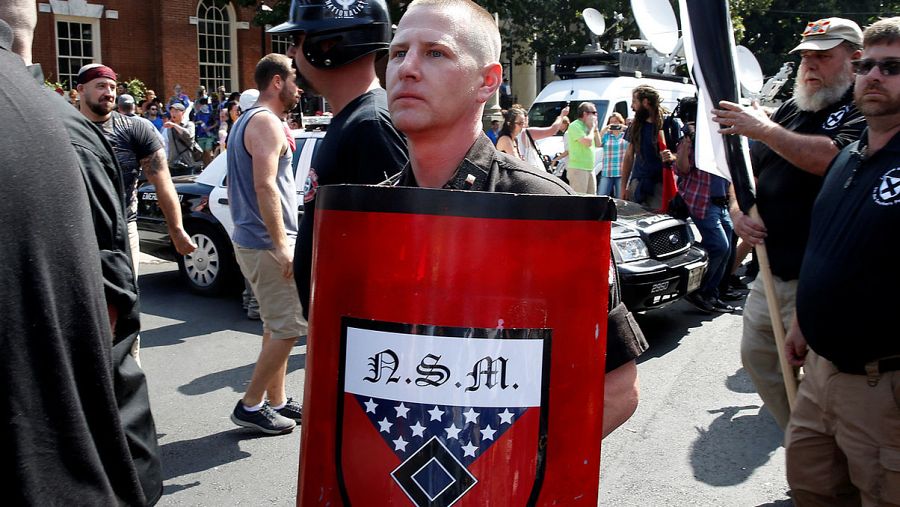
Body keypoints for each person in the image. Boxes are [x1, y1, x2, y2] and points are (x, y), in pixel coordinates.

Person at [387, 0, 646, 438]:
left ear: (487, 81)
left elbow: (617, 390)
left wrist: (507, 471)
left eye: (436, 52)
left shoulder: (547, 211)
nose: (407, 68)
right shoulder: (373, 215)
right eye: (397, 52)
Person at [0, 5, 160, 504]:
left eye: (114, 86)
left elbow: (158, 174)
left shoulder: (125, 132)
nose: (109, 93)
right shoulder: (65, 130)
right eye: (100, 86)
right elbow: (111, 329)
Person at [712, 17, 866, 430]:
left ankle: (827, 461)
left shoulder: (865, 107)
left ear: (855, 59)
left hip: (822, 274)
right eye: (805, 57)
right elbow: (745, 174)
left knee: (824, 378)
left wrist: (764, 129)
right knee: (759, 356)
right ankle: (804, 448)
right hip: (771, 266)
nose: (810, 66)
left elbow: (831, 160)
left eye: (823, 56)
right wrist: (737, 211)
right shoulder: (794, 108)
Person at [782, 17, 900, 505]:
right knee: (812, 486)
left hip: (882, 385)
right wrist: (805, 322)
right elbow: (828, 244)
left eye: (892, 67)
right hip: (822, 372)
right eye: (866, 65)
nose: (873, 76)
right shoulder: (849, 157)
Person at [269, 0, 409, 320]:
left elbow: (394, 255)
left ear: (330, 44)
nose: (291, 53)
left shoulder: (372, 124)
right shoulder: (356, 119)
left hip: (362, 338)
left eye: (297, 41)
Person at [226, 54, 305, 435]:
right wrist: (281, 244)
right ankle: (250, 405)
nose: (299, 86)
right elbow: (265, 185)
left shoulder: (248, 120)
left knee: (276, 326)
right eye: (294, 78)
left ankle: (276, 401)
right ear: (277, 82)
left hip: (256, 241)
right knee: (289, 327)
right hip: (266, 242)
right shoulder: (265, 123)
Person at [675, 98, 737, 314]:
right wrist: (686, 145)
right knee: (720, 247)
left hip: (720, 203)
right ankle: (699, 291)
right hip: (702, 202)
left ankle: (711, 293)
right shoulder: (694, 139)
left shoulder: (720, 137)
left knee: (726, 249)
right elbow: (681, 169)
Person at [621, 84, 675, 209]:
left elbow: (682, 154)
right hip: (638, 183)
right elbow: (629, 156)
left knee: (659, 222)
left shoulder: (669, 123)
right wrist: (624, 187)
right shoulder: (635, 125)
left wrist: (672, 156)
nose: (632, 106)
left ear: (645, 102)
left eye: (634, 102)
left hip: (660, 185)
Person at [565, 101, 602, 194]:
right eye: (593, 113)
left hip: (590, 167)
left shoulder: (589, 127)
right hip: (578, 168)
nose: (595, 116)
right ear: (585, 114)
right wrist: (592, 128)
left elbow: (598, 143)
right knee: (580, 199)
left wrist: (595, 129)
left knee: (592, 199)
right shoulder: (575, 125)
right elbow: (587, 142)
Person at [597, 112, 627, 197]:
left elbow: (635, 138)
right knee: (601, 196)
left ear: (621, 122)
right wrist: (604, 129)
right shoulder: (606, 135)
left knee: (621, 198)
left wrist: (625, 128)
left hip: (621, 171)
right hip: (607, 171)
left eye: (616, 121)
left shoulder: (625, 135)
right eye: (611, 122)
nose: (614, 124)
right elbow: (597, 143)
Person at [164, 102, 198, 171]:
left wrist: (174, 125)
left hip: (187, 163)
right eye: (171, 111)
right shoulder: (169, 127)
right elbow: (165, 143)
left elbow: (188, 136)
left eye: (176, 111)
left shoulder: (189, 124)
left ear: (183, 112)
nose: (173, 113)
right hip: (172, 164)